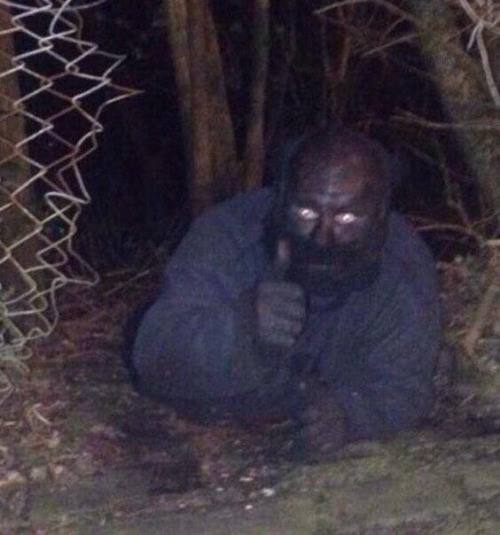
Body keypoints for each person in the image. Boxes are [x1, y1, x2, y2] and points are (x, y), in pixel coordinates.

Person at [130, 126, 441, 458]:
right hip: (217, 408)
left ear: (380, 214)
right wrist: (241, 328)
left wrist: (349, 415)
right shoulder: (227, 234)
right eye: (306, 213)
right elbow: (154, 358)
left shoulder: (403, 264)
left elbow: (405, 388)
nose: (322, 237)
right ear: (280, 199)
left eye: (347, 218)